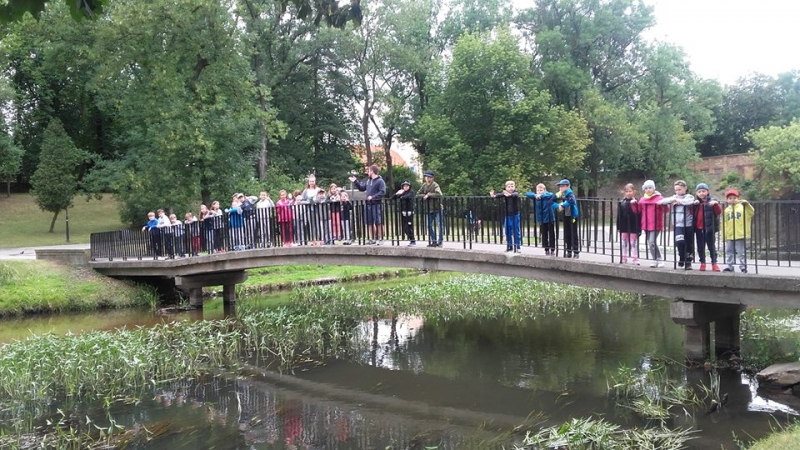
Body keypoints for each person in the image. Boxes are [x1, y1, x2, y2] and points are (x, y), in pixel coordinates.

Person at [658, 180, 695, 270]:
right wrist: (674, 199)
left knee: (689, 244)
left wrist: (679, 201)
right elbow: (662, 201)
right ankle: (682, 257)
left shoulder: (689, 196)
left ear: (685, 188)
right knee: (680, 242)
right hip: (678, 224)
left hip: (688, 224)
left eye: (680, 189)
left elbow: (689, 201)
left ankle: (688, 262)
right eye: (676, 190)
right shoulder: (674, 198)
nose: (678, 192)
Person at [349, 164, 386, 245]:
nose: (367, 172)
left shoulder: (380, 181)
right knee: (369, 222)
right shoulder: (368, 181)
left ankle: (380, 238)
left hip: (376, 204)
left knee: (378, 222)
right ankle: (372, 239)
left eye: (368, 171)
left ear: (372, 171)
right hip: (368, 204)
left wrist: (373, 197)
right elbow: (362, 188)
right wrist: (355, 181)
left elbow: (382, 192)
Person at [722, 189, 754, 273]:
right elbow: (724, 223)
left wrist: (747, 204)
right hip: (730, 234)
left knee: (741, 252)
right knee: (729, 251)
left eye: (734, 198)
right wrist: (724, 235)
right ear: (727, 200)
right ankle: (730, 266)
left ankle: (743, 266)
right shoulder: (726, 210)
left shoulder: (742, 207)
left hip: (740, 233)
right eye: (730, 198)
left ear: (738, 198)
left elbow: (751, 212)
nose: (732, 200)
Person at [693, 183, 723, 272]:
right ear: (696, 193)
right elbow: (691, 213)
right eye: (699, 192)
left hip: (709, 228)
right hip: (699, 228)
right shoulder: (696, 202)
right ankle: (702, 263)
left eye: (703, 191)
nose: (701, 193)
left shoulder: (712, 201)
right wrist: (694, 205)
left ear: (707, 191)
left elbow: (718, 212)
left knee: (711, 246)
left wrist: (715, 204)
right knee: (700, 247)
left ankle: (714, 263)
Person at [639, 180, 666, 268]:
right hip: (646, 224)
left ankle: (659, 259)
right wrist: (633, 204)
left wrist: (663, 204)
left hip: (655, 224)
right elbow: (638, 210)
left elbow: (666, 209)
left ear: (654, 188)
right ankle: (655, 259)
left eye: (650, 188)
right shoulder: (642, 199)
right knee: (651, 243)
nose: (648, 190)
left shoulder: (659, 198)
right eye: (646, 188)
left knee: (652, 242)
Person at [490, 180, 521, 252]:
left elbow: (515, 194)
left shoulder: (515, 193)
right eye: (509, 187)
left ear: (514, 187)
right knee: (507, 231)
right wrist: (493, 195)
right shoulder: (505, 193)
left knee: (516, 231)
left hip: (515, 214)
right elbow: (499, 195)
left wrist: (510, 195)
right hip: (508, 215)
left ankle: (517, 246)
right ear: (506, 188)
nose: (510, 188)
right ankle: (509, 246)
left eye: (512, 186)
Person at [526, 183, 556, 256]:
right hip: (541, 218)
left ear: (544, 190)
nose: (539, 192)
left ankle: (552, 248)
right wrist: (535, 195)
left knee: (551, 234)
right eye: (538, 190)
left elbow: (551, 194)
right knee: (544, 234)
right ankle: (546, 249)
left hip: (549, 217)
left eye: (541, 190)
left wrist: (542, 195)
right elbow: (527, 194)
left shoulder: (547, 195)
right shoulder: (536, 197)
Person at [417, 170, 443, 247]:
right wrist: (425, 195)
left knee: (440, 225)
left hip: (438, 208)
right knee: (428, 225)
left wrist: (429, 195)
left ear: (432, 178)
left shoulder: (435, 185)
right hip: (429, 209)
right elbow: (417, 194)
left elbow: (439, 194)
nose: (428, 178)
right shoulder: (424, 185)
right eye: (426, 177)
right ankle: (434, 241)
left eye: (429, 177)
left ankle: (440, 241)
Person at [616, 183, 641, 264]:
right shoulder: (622, 202)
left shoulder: (637, 202)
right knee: (624, 242)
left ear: (634, 191)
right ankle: (624, 257)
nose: (628, 193)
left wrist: (639, 227)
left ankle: (635, 258)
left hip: (634, 225)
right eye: (626, 191)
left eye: (630, 191)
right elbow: (619, 215)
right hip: (624, 225)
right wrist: (618, 226)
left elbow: (639, 214)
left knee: (633, 242)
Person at [555, 179, 580, 258]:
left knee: (573, 234)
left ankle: (576, 252)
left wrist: (563, 205)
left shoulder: (570, 193)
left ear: (568, 186)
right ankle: (568, 251)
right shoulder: (563, 194)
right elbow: (553, 197)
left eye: (563, 186)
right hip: (566, 215)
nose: (561, 188)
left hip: (572, 216)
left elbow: (572, 201)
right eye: (560, 186)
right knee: (567, 234)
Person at [392, 180, 416, 246]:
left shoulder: (411, 192)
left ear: (409, 186)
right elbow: (393, 198)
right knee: (405, 228)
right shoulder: (402, 192)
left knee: (409, 227)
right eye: (404, 186)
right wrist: (397, 193)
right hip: (403, 212)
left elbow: (407, 197)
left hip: (409, 212)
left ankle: (413, 240)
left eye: (407, 186)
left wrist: (401, 196)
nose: (405, 187)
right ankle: (411, 239)